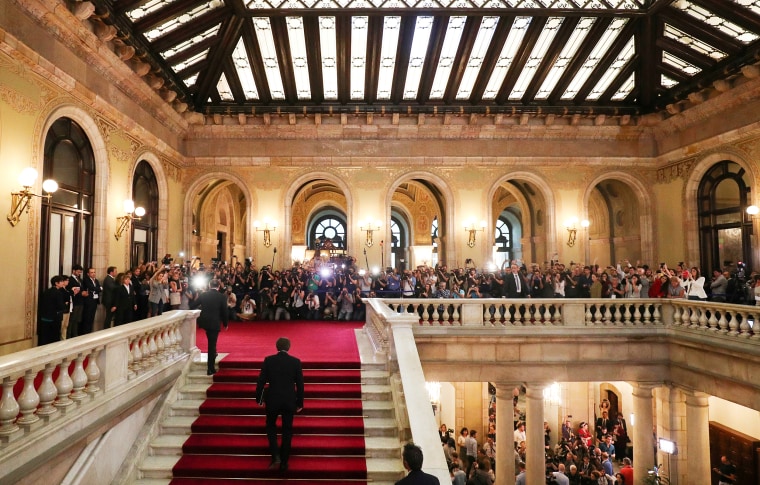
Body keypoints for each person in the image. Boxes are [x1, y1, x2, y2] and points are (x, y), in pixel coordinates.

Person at [256, 337, 304, 473]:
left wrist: (259, 399)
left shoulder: (269, 360)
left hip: (272, 399)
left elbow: (261, 381)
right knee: (287, 430)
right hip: (289, 400)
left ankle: (275, 455)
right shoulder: (295, 362)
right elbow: (300, 385)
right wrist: (300, 402)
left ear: (277, 347)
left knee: (271, 427)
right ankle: (284, 462)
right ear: (288, 347)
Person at [190, 279, 229, 375]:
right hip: (214, 323)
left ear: (209, 285)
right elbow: (225, 311)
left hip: (205, 322)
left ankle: (214, 355)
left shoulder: (203, 295)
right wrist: (225, 324)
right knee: (212, 345)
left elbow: (192, 305)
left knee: (211, 343)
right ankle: (210, 368)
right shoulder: (222, 297)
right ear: (218, 286)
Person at [38, 275, 69, 346]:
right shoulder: (58, 293)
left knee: (45, 337)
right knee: (54, 337)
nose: (63, 283)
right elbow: (61, 306)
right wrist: (65, 304)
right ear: (56, 283)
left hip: (45, 317)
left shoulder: (46, 291)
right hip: (55, 318)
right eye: (61, 282)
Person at [80, 267, 101, 335]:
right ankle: (85, 333)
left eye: (94, 272)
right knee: (87, 318)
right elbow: (91, 287)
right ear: (88, 274)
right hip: (88, 301)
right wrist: (98, 288)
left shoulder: (96, 280)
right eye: (91, 272)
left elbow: (98, 288)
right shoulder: (86, 280)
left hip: (94, 301)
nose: (93, 274)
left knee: (92, 317)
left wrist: (97, 289)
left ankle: (89, 332)